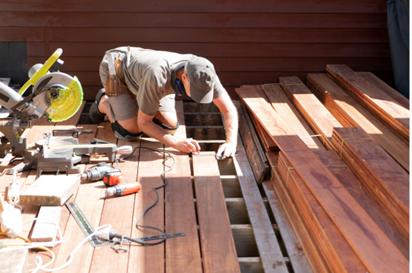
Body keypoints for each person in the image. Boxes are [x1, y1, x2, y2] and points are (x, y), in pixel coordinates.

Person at [90, 46, 238, 159]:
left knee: (169, 126)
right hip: (117, 67)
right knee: (131, 130)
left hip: (146, 75)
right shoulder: (157, 76)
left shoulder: (204, 72)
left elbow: (229, 109)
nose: (199, 97)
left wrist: (230, 142)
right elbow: (144, 123)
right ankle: (104, 102)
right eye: (196, 92)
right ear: (185, 77)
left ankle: (139, 101)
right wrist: (176, 143)